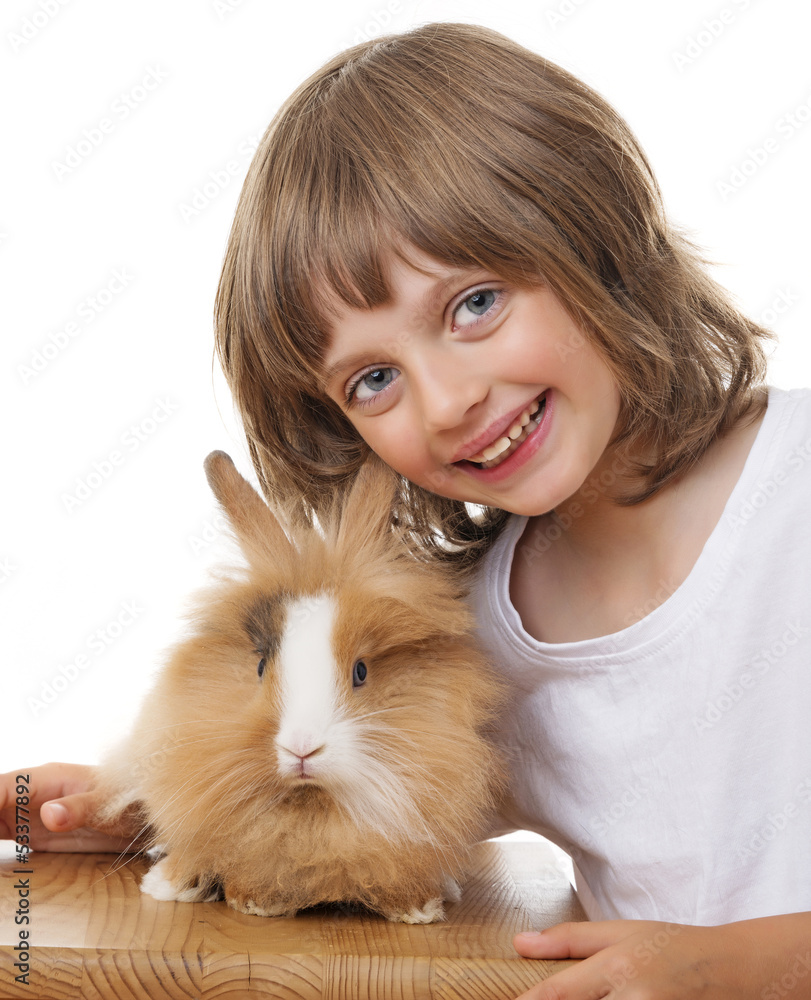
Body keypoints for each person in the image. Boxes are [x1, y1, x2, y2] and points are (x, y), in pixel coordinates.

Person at [3, 21, 810, 999]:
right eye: (375, 378)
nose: (446, 400)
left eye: (473, 304)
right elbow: (349, 810)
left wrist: (739, 965)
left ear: (588, 233)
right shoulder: (472, 643)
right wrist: (137, 810)